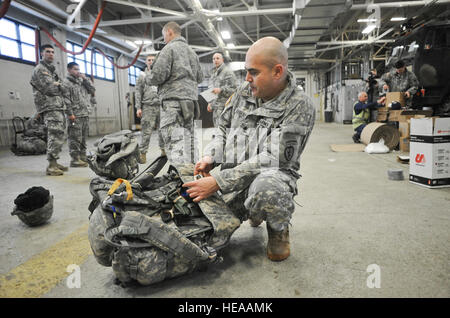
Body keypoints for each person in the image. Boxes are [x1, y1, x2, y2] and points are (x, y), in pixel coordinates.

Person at [182, 37, 316, 262]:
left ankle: (277, 227)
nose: (247, 79)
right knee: (202, 232)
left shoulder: (299, 105)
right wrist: (211, 156)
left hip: (270, 176)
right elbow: (223, 127)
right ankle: (253, 209)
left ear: (277, 71)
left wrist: (217, 182)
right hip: (233, 179)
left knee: (267, 190)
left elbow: (274, 158)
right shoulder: (244, 91)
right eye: (246, 71)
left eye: (253, 72)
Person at [145, 21, 203, 165]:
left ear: (170, 32)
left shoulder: (169, 49)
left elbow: (158, 76)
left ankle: (182, 180)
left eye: (164, 35)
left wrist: (147, 78)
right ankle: (194, 175)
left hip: (173, 104)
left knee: (175, 144)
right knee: (189, 142)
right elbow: (200, 77)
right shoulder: (192, 53)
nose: (164, 39)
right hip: (190, 104)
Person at [30, 44, 68, 176]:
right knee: (54, 134)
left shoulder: (52, 71)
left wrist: (58, 85)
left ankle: (55, 162)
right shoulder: (41, 70)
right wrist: (58, 85)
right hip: (49, 106)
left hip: (57, 106)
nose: (51, 54)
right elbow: (50, 90)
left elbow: (64, 88)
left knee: (59, 134)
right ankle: (51, 165)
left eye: (52, 52)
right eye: (47, 52)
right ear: (41, 54)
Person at [62, 62, 95, 167]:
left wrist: (85, 79)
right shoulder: (66, 83)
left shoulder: (81, 81)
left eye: (78, 69)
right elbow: (66, 99)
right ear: (69, 70)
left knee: (83, 137)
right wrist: (70, 113)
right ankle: (75, 159)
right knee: (75, 138)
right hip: (75, 115)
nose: (78, 71)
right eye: (75, 69)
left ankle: (83, 156)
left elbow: (92, 90)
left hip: (84, 113)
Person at [135, 54, 165, 164]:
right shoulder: (142, 76)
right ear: (146, 62)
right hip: (148, 106)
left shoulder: (161, 74)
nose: (151, 61)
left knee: (163, 130)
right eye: (149, 60)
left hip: (161, 106)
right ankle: (143, 154)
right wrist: (138, 107)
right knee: (146, 131)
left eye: (153, 60)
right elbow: (138, 92)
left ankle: (164, 151)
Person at [207, 52, 237, 127]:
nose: (215, 60)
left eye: (217, 58)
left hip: (224, 108)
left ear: (222, 60)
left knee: (224, 132)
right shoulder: (213, 73)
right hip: (215, 107)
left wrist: (221, 90)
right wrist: (210, 102)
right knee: (218, 131)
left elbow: (235, 90)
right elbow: (211, 89)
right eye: (213, 59)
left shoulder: (228, 72)